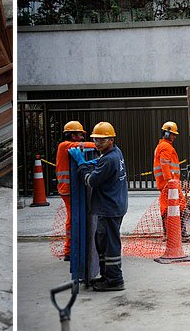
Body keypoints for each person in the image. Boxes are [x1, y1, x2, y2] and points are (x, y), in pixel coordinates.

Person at [69, 122, 128, 291]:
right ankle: (107, 276)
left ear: (111, 140)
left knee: (110, 244)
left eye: (102, 140)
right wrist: (96, 162)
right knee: (103, 241)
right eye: (95, 140)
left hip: (110, 207)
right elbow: (103, 164)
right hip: (114, 205)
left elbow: (90, 181)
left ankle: (115, 280)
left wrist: (81, 164)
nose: (97, 143)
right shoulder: (115, 152)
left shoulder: (109, 159)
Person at [55, 121, 95, 260]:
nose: (82, 138)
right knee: (72, 220)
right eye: (79, 135)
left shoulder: (66, 147)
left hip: (70, 189)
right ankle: (69, 250)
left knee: (75, 218)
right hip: (68, 190)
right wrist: (101, 144)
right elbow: (87, 145)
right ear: (72, 135)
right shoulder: (64, 146)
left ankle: (73, 248)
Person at [153, 121, 190, 242]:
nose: (174, 137)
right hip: (169, 184)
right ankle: (181, 235)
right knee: (180, 206)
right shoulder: (166, 147)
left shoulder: (161, 146)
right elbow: (165, 164)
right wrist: (170, 181)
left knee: (167, 208)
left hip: (167, 184)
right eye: (172, 134)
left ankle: (169, 234)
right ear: (166, 133)